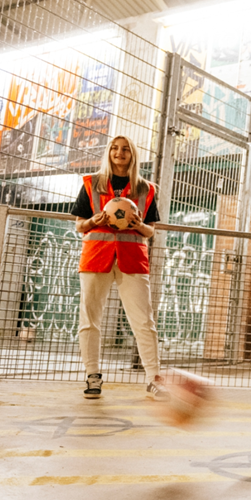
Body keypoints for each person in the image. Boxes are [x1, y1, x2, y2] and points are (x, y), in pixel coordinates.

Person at [70, 135, 168, 401]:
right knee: (89, 320)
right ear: (108, 153)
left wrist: (137, 225)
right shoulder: (92, 184)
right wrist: (94, 220)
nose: (119, 152)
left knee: (144, 322)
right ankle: (92, 376)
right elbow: (79, 225)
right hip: (96, 258)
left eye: (125, 149)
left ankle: (153, 379)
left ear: (132, 155)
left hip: (132, 260)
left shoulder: (146, 189)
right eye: (114, 148)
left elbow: (151, 231)